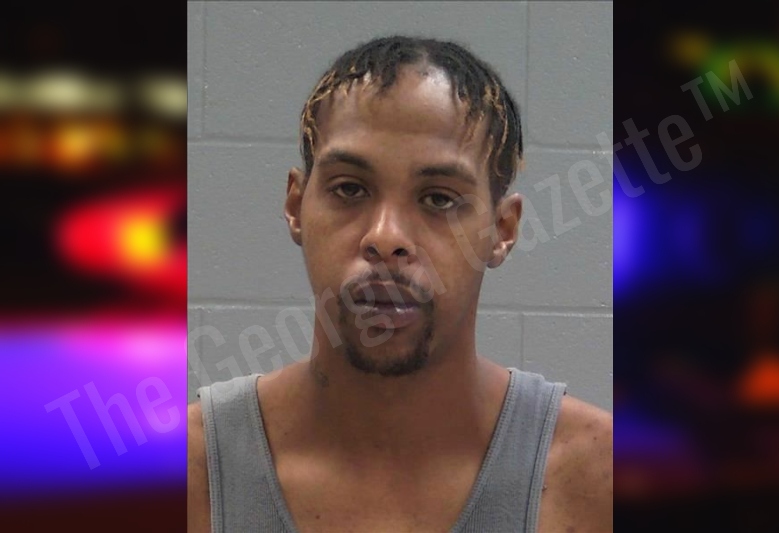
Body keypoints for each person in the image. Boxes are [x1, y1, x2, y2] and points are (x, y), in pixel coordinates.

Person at [188, 36, 612, 533]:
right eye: (349, 189)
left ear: (502, 230)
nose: (385, 237)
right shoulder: (185, 469)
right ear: (296, 205)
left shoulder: (594, 475)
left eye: (439, 199)